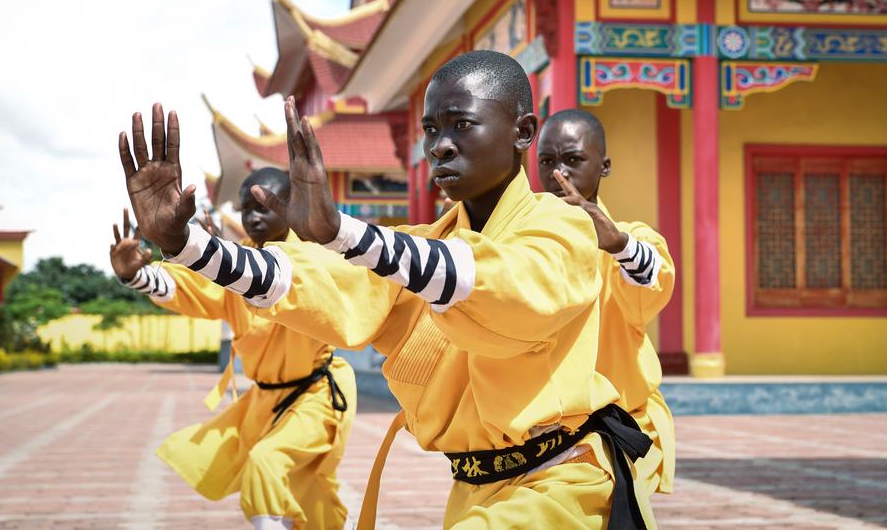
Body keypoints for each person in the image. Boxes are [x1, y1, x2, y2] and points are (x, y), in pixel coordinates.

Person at [118, 51, 652, 529]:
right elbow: (306, 280)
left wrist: (343, 232)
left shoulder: (567, 228)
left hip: (564, 486)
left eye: (461, 124)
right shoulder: (425, 246)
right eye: (430, 129)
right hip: (473, 490)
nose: (439, 146)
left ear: (522, 131)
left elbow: (501, 281)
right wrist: (184, 243)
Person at [110, 166, 357, 530]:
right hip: (263, 402)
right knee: (308, 488)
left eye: (264, 206)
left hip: (316, 396)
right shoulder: (234, 266)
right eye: (246, 208)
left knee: (266, 462)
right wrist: (136, 276)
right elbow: (187, 290)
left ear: (290, 205)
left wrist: (209, 253)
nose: (253, 216)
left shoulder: (311, 259)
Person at [536, 108, 676, 521]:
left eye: (573, 160)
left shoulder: (633, 239)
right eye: (547, 162)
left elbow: (653, 276)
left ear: (604, 166)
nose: (559, 174)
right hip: (553, 432)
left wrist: (616, 244)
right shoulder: (528, 247)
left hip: (624, 423)